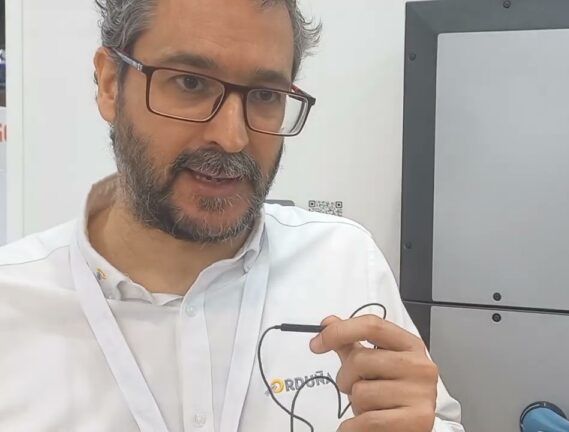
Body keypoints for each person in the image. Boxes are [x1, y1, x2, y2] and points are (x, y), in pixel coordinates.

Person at [0, 0, 465, 431]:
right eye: (191, 83)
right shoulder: (13, 304)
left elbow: (429, 417)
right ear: (109, 84)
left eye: (265, 95)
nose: (232, 137)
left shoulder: (344, 262)